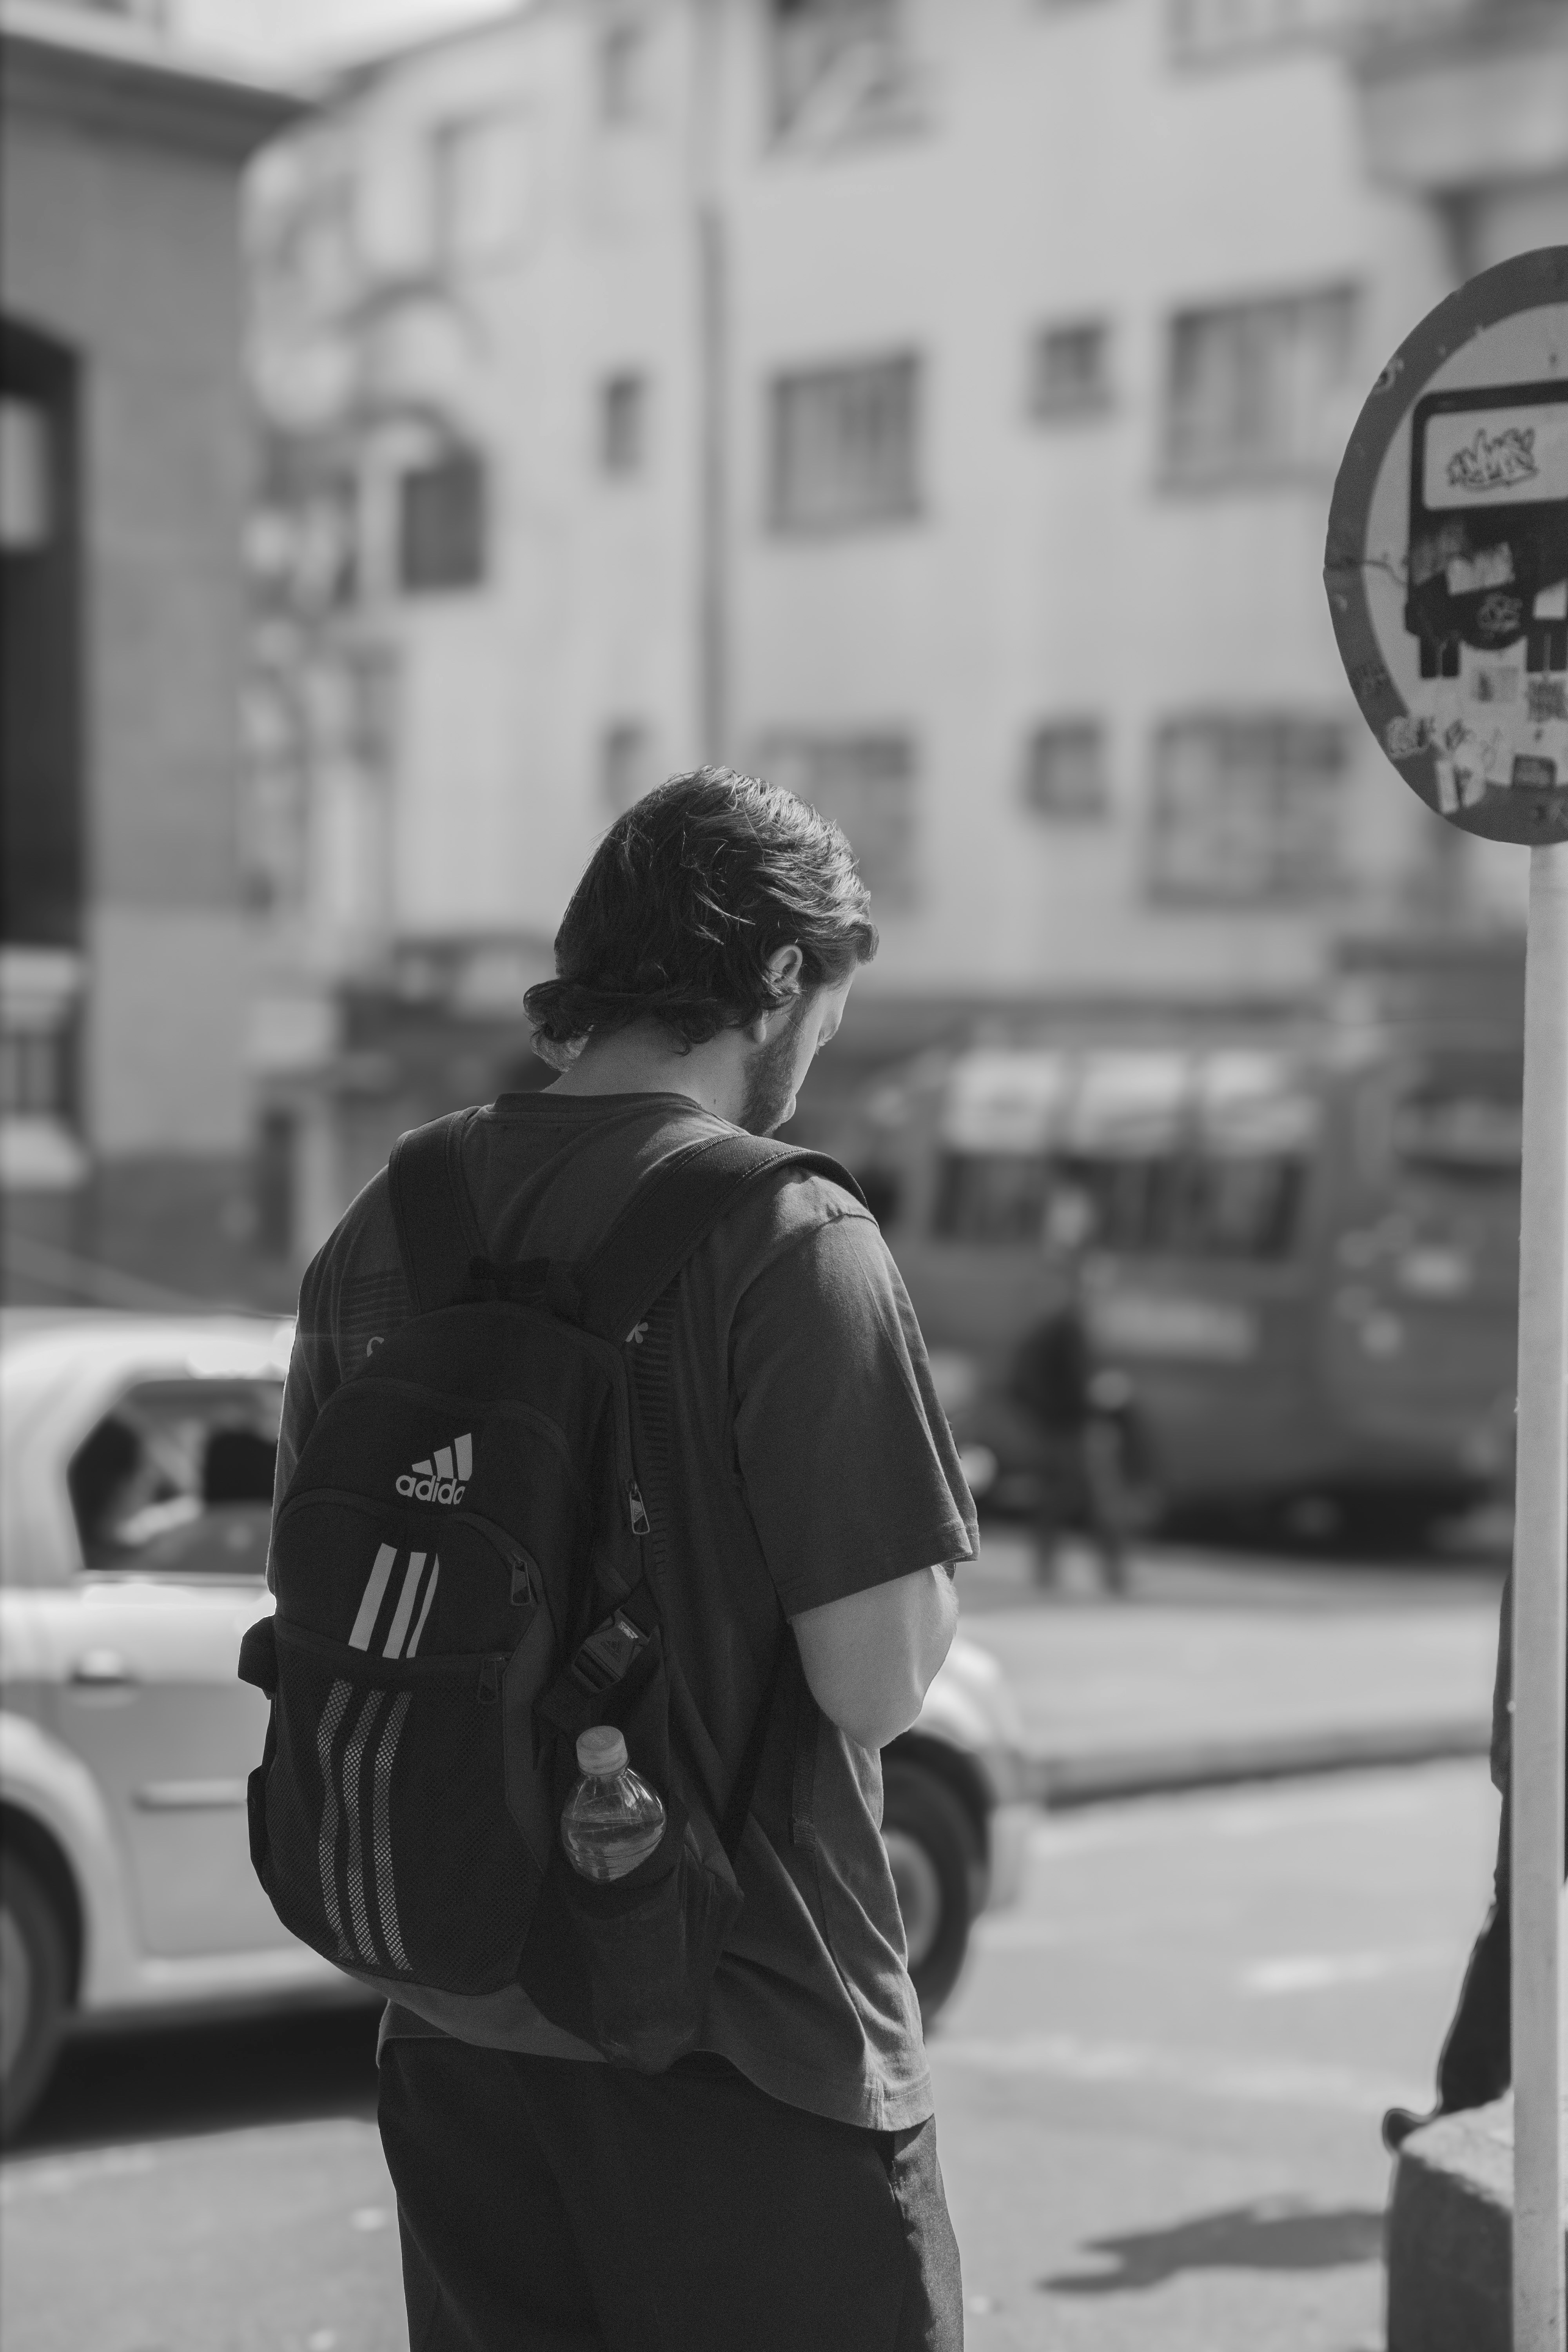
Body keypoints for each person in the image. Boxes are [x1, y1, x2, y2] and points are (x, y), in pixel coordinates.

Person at [272, 768, 974, 2352]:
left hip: (455, 2028)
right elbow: (871, 1686)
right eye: (832, 1010)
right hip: (753, 2042)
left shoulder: (390, 1216)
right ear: (782, 979)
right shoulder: (789, 1240)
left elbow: (314, 1582)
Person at [1383, 1564, 1565, 2151]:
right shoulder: (1552, 1478)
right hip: (1552, 1732)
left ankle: (1464, 2104)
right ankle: (1464, 2106)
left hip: (1548, 1730)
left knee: (1516, 1917)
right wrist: (1506, 1717)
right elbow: (1531, 1571)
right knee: (1517, 1916)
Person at [1009, 1190, 1131, 1595]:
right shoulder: (1073, 1326)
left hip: (1058, 1425)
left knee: (1058, 1502)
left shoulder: (1062, 1323)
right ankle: (1114, 1578)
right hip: (1077, 1427)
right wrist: (1102, 1395)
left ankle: (1048, 1571)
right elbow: (1080, 1383)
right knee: (1100, 1504)